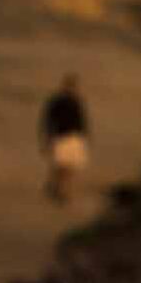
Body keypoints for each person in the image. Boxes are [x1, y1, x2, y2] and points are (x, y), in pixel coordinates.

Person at [40, 73, 91, 205]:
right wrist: (47, 138)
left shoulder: (76, 102)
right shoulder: (57, 102)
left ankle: (59, 189)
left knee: (70, 166)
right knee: (61, 165)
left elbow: (82, 121)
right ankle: (62, 191)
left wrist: (85, 137)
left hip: (74, 137)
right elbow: (48, 120)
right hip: (61, 136)